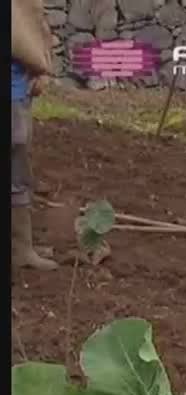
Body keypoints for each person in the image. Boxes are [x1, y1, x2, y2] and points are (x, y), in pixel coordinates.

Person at [12, 0, 59, 271]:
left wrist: (42, 68)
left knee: (18, 166)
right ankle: (20, 249)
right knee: (16, 167)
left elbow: (33, 26)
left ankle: (20, 245)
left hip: (18, 90)